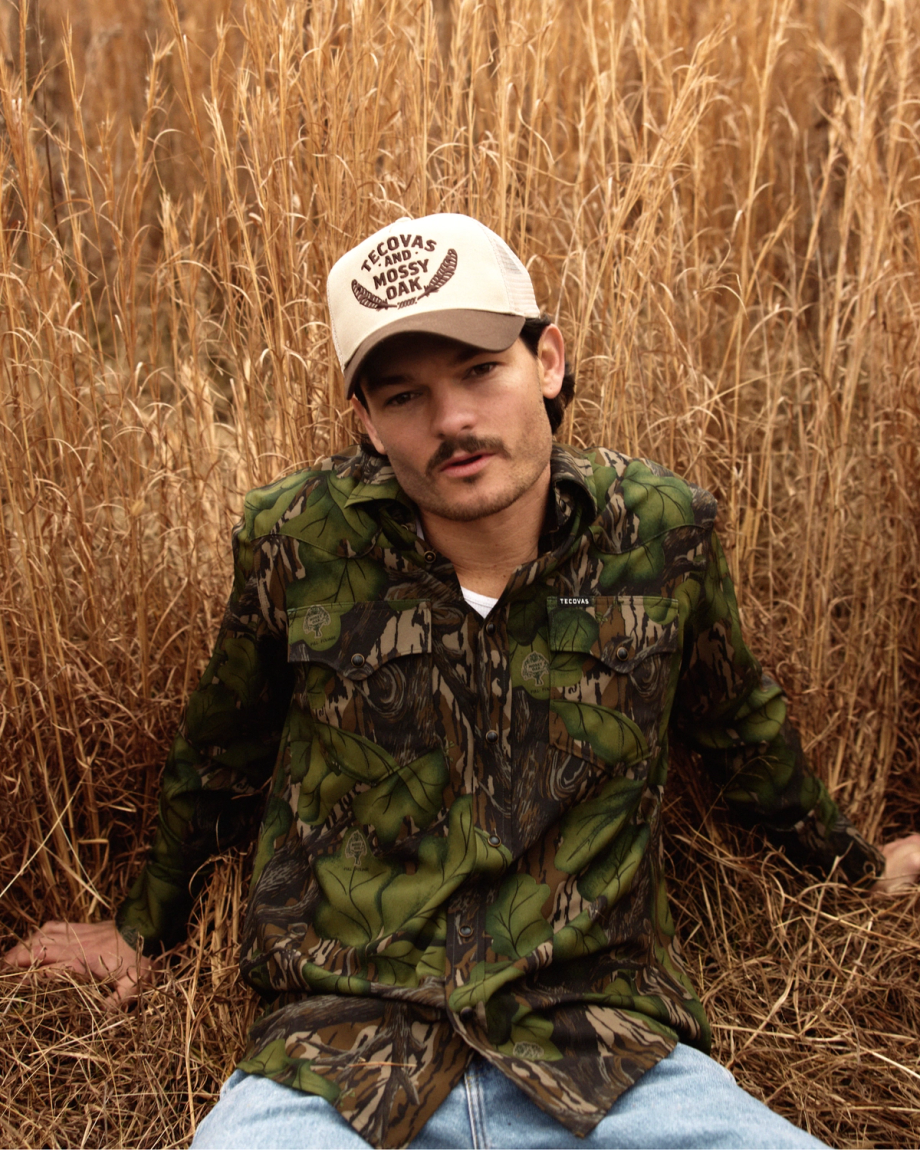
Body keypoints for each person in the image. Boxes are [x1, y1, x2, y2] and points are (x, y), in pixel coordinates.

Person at [6, 213, 920, 1150]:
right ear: (366, 422)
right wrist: (140, 928)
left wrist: (855, 867)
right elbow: (221, 748)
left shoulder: (658, 532)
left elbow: (738, 724)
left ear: (548, 361)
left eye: (482, 371)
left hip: (602, 1054)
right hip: (340, 1062)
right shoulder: (299, 541)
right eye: (405, 395)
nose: (453, 421)